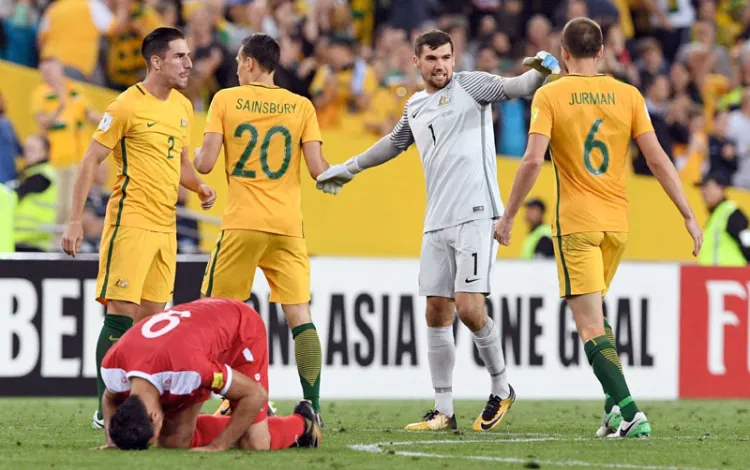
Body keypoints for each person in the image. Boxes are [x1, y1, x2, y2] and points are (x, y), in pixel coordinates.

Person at [315, 29, 561, 432]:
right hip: (437, 222)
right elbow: (392, 145)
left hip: (478, 215)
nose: (441, 65)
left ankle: (501, 386)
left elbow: (518, 86)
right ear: (416, 62)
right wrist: (349, 168)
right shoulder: (414, 106)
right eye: (432, 59)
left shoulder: (471, 84)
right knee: (435, 311)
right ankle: (443, 409)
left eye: (446, 56)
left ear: (454, 57)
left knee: (468, 308)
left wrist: (542, 71)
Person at [493, 17, 702, 439]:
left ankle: (630, 413)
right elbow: (659, 159)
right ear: (602, 50)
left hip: (577, 225)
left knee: (588, 325)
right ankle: (612, 409)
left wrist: (510, 215)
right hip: (618, 225)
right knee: (598, 317)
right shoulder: (628, 94)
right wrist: (687, 213)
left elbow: (533, 160)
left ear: (565, 52)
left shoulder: (550, 95)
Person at [60, 27, 217, 430]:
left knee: (151, 323)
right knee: (120, 316)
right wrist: (76, 220)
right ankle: (104, 408)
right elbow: (91, 160)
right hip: (129, 222)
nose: (188, 63)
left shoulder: (182, 107)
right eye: (180, 56)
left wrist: (198, 186)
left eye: (188, 55)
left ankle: (137, 401)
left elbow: (181, 163)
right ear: (157, 62)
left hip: (166, 229)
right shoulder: (127, 104)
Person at [193, 33, 330, 424]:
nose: (236, 68)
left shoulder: (225, 100)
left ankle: (222, 396)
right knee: (300, 316)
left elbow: (205, 164)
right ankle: (313, 408)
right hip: (287, 226)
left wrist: (187, 156)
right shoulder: (301, 105)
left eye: (239, 61)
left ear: (251, 63)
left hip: (243, 222)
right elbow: (320, 170)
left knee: (213, 315)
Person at [100, 297, 321, 451]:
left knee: (254, 442)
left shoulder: (189, 370)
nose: (153, 441)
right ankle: (240, 418)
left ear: (154, 416)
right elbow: (109, 398)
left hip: (240, 330)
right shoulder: (113, 367)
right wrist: (111, 440)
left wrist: (219, 446)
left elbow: (256, 395)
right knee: (174, 441)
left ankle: (303, 423)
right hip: (196, 331)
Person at [13, 135, 57, 252]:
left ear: (45, 153)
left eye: (32, 149)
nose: (27, 153)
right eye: (26, 149)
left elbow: (15, 193)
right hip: (21, 239)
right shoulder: (27, 174)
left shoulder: (42, 175)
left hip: (34, 242)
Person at [697, 172, 750, 266]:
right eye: (702, 188)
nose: (703, 192)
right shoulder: (717, 214)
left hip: (730, 274)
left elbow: (747, 242)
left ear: (721, 188)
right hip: (715, 276)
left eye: (707, 187)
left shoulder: (732, 213)